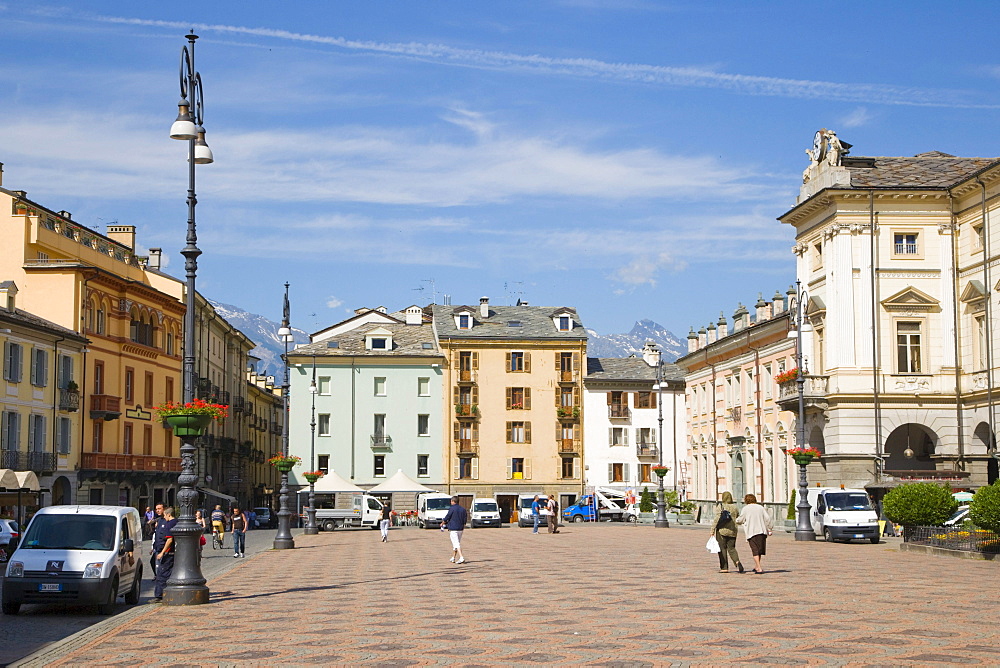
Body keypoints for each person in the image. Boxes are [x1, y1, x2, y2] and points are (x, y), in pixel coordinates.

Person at [736, 493, 773, 574]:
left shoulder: (746, 509)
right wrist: (770, 528)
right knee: (759, 550)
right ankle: (757, 566)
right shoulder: (760, 507)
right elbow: (767, 518)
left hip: (752, 532)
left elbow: (740, 519)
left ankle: (759, 568)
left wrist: (736, 521)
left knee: (755, 550)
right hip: (762, 531)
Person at [711, 491, 744, 574]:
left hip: (722, 530)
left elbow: (717, 519)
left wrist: (712, 530)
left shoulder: (721, 506)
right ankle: (737, 562)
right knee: (732, 548)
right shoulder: (735, 507)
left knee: (722, 549)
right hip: (733, 531)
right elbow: (738, 517)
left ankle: (724, 567)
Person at [151, 506, 177, 603]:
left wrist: (162, 552)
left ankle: (160, 595)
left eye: (165, 515)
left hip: (168, 553)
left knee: (162, 574)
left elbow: (169, 539)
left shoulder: (170, 524)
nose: (164, 518)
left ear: (168, 514)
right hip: (172, 552)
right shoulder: (176, 522)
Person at [441, 496, 468, 564]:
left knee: (456, 543)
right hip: (460, 528)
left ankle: (461, 557)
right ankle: (453, 557)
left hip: (453, 528)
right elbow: (465, 519)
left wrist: (443, 523)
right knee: (456, 543)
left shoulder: (452, 508)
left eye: (451, 501)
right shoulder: (463, 509)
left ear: (453, 501)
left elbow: (448, 517)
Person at [148, 504, 164, 580]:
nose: (157, 510)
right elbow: (155, 537)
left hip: (163, 550)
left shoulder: (167, 521)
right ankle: (157, 575)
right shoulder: (159, 520)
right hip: (157, 548)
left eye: (159, 508)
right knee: (153, 562)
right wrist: (152, 548)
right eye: (156, 509)